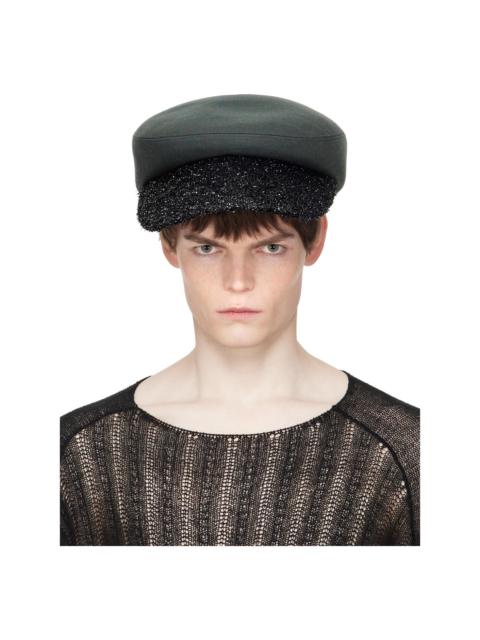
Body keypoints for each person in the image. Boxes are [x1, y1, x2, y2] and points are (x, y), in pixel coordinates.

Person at [60, 94, 420, 546]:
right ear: (169, 247)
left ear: (315, 241)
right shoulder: (82, 455)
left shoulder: (401, 452)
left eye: (270, 247)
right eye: (207, 248)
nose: (238, 282)